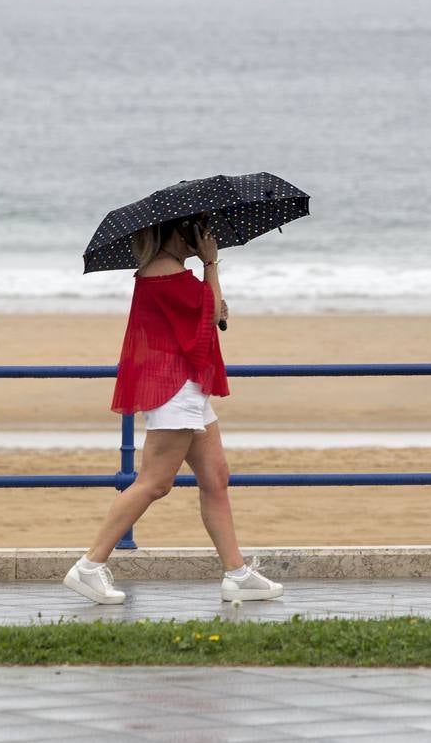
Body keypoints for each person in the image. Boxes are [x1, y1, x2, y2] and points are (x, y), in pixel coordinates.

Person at [64, 214, 284, 605]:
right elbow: (211, 314)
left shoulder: (171, 274)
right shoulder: (166, 273)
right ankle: (88, 567)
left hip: (187, 386)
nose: (207, 236)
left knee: (216, 477)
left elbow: (205, 313)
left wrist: (210, 292)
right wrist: (212, 265)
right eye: (201, 229)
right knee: (155, 482)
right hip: (174, 387)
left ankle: (237, 574)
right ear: (181, 231)